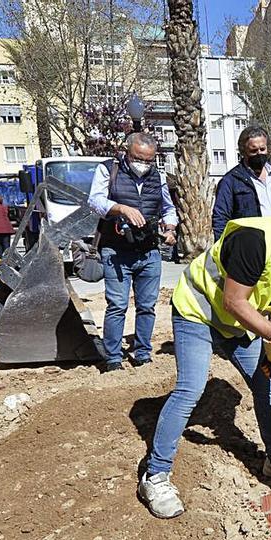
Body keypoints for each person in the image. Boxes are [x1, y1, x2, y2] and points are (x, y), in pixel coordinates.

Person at [139, 175, 271, 519]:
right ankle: (155, 475)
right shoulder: (254, 238)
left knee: (266, 383)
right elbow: (234, 301)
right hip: (199, 311)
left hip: (239, 323)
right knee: (191, 387)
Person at [88, 132, 179, 372]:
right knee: (117, 305)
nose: (144, 164)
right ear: (127, 153)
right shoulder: (109, 170)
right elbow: (94, 201)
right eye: (139, 158)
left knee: (147, 306)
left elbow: (169, 208)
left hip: (149, 252)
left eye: (149, 160)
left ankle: (142, 353)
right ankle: (113, 358)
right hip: (117, 252)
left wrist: (170, 229)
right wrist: (120, 208)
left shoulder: (157, 177)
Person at [212, 126, 271, 243]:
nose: (259, 154)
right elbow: (220, 218)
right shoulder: (230, 181)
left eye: (262, 149)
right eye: (254, 151)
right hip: (250, 247)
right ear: (243, 152)